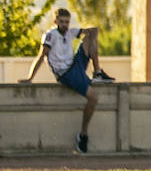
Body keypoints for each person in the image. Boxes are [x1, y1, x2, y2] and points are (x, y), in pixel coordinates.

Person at [18, 9, 114, 153]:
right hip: (67, 73)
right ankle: (83, 134)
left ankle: (97, 72)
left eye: (67, 22)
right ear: (55, 22)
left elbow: (92, 30)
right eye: (61, 22)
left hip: (75, 65)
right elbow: (41, 57)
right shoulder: (50, 36)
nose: (64, 25)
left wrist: (89, 31)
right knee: (93, 98)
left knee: (91, 34)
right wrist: (30, 78)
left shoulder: (69, 32)